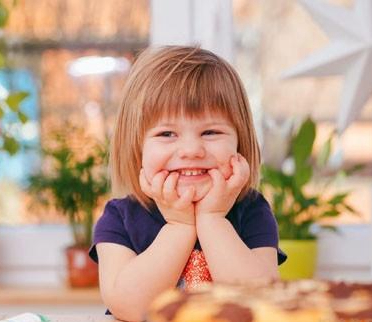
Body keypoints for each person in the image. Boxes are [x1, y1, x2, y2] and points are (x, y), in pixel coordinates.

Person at [89, 46, 286, 321]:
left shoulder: (252, 210)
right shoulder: (120, 217)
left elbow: (260, 303)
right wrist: (180, 226)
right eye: (167, 133)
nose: (191, 150)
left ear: (240, 143)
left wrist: (213, 219)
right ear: (137, 148)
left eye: (211, 131)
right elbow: (129, 306)